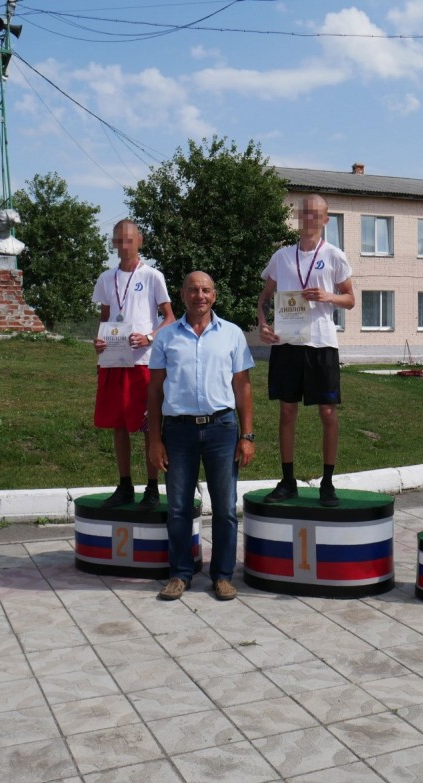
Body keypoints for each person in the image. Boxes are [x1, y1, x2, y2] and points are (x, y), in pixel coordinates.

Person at [147, 271, 256, 602]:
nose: (200, 296)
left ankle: (222, 576)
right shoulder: (166, 337)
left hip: (222, 429)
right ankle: (180, 574)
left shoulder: (232, 334)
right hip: (178, 431)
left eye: (206, 290)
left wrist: (247, 435)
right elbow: (154, 391)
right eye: (193, 290)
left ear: (214, 295)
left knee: (225, 508)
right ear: (182, 295)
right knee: (179, 507)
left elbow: (242, 386)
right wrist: (155, 440)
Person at [256, 194, 355, 507]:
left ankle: (327, 482)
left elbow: (350, 299)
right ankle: (288, 481)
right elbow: (264, 298)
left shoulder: (335, 255)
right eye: (305, 213)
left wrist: (328, 296)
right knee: (287, 411)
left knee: (327, 412)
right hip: (287, 343)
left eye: (316, 214)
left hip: (321, 344)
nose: (309, 218)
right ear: (298, 217)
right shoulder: (282, 256)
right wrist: (263, 324)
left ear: (326, 220)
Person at [92, 220, 175, 508]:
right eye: (119, 240)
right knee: (118, 424)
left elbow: (170, 318)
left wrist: (149, 337)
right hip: (114, 360)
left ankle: (152, 488)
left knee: (149, 424)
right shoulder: (106, 278)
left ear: (139, 241)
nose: (124, 245)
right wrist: (98, 341)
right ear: (113, 243)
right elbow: (105, 319)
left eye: (130, 239)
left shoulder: (152, 276)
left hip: (143, 362)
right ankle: (125, 484)